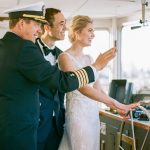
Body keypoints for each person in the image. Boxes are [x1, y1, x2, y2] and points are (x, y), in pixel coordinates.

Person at [0, 2, 117, 150]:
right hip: (22, 130)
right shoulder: (24, 48)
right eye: (36, 24)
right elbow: (63, 82)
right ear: (22, 23)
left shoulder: (4, 46)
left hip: (21, 126)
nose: (38, 30)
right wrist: (96, 67)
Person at [58, 15, 139, 150]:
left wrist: (118, 107)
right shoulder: (64, 58)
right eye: (90, 30)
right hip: (78, 116)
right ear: (78, 33)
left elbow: (98, 90)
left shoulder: (89, 58)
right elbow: (83, 88)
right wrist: (117, 103)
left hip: (92, 115)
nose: (93, 35)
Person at [35, 8, 67, 150]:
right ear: (47, 27)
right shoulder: (29, 51)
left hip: (56, 123)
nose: (65, 28)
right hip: (35, 123)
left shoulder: (63, 56)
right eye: (61, 23)